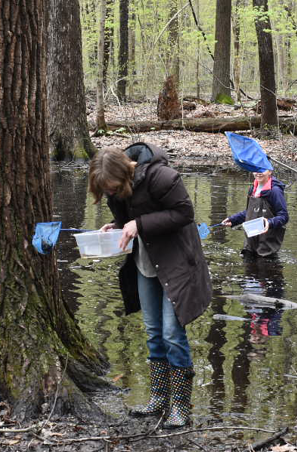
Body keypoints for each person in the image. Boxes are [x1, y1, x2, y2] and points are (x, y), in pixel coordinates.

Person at [88, 143, 212, 428]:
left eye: (111, 187)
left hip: (177, 264)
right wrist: (115, 226)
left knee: (171, 332)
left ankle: (180, 406)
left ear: (125, 173)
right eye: (105, 190)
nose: (109, 193)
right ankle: (158, 398)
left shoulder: (163, 177)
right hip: (145, 264)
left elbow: (184, 213)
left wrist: (139, 224)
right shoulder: (115, 190)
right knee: (154, 331)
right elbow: (127, 217)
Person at [221, 168, 289, 257]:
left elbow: (284, 216)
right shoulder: (252, 189)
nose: (258, 172)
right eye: (256, 169)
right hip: (250, 244)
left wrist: (269, 222)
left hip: (267, 247)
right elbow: (250, 211)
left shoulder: (275, 191)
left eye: (263, 169)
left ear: (270, 171)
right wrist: (233, 219)